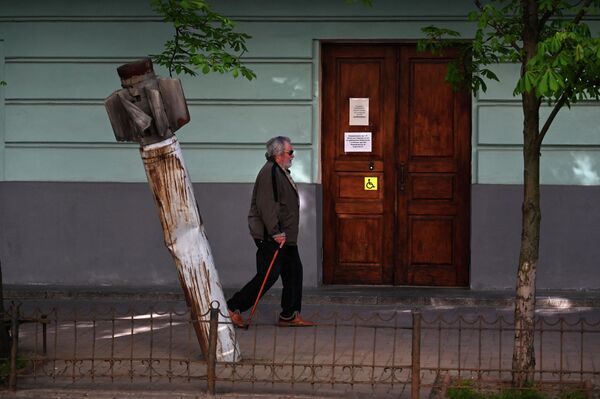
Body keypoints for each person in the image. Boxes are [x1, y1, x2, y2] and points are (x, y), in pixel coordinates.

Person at [226, 136, 316, 327]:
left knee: (294, 272)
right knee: (267, 276)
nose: (292, 155)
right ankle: (233, 307)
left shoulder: (280, 172)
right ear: (278, 155)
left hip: (286, 237)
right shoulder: (270, 172)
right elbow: (266, 205)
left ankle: (289, 314)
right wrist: (275, 232)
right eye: (290, 152)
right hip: (273, 237)